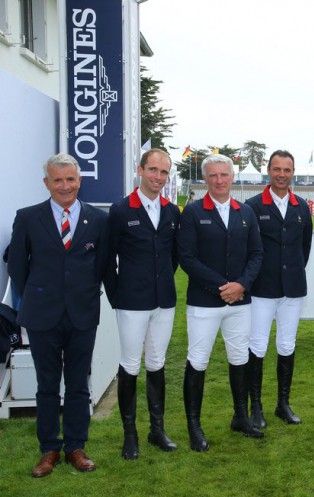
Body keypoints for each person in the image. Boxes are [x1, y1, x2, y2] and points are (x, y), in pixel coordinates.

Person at [7, 153, 109, 477]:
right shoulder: (28, 217)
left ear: (79, 180)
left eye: (70, 179)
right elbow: (18, 267)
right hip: (42, 316)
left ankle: (76, 447)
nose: (65, 186)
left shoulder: (98, 219)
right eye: (58, 180)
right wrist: (38, 295)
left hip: (82, 314)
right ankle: (49, 449)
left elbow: (102, 265)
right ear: (47, 183)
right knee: (47, 385)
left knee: (79, 384)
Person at [178, 153, 264, 450]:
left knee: (240, 357)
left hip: (240, 301)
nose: (218, 180)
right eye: (212, 175)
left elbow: (256, 254)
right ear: (205, 179)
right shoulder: (192, 212)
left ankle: (240, 417)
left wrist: (241, 285)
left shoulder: (245, 212)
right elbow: (186, 258)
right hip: (204, 302)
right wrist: (221, 287)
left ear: (232, 177)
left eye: (223, 175)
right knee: (198, 361)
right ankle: (194, 426)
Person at [104, 148, 181, 460]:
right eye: (153, 170)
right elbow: (107, 259)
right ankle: (130, 434)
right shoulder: (121, 210)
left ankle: (156, 429)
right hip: (131, 302)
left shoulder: (173, 211)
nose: (159, 178)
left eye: (164, 173)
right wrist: (117, 295)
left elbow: (174, 256)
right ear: (140, 170)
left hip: (164, 300)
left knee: (157, 363)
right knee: (130, 365)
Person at [245, 150, 312, 428]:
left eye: (287, 170)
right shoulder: (252, 206)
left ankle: (282, 404)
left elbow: (304, 248)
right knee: (257, 347)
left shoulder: (301, 207)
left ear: (292, 172)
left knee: (286, 345)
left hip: (292, 289)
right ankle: (256, 406)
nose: (282, 174)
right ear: (268, 171)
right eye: (277, 169)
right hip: (262, 288)